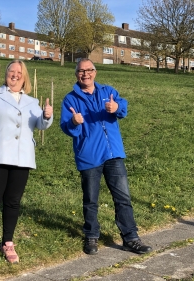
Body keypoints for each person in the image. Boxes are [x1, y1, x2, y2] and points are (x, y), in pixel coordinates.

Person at [60, 58, 152, 255]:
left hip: (113, 154)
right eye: (81, 71)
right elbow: (66, 127)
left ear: (95, 72)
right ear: (76, 74)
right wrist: (74, 123)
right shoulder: (70, 99)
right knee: (91, 199)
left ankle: (131, 238)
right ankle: (91, 236)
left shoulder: (107, 91)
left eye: (89, 70)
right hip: (89, 156)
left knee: (123, 198)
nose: (85, 74)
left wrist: (116, 108)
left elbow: (123, 107)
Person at [0, 60, 53, 265]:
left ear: (24, 77)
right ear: (6, 74)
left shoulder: (32, 102)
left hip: (22, 157)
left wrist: (46, 116)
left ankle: (7, 242)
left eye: (19, 72)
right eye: (12, 71)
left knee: (13, 202)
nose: (15, 75)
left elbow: (40, 125)